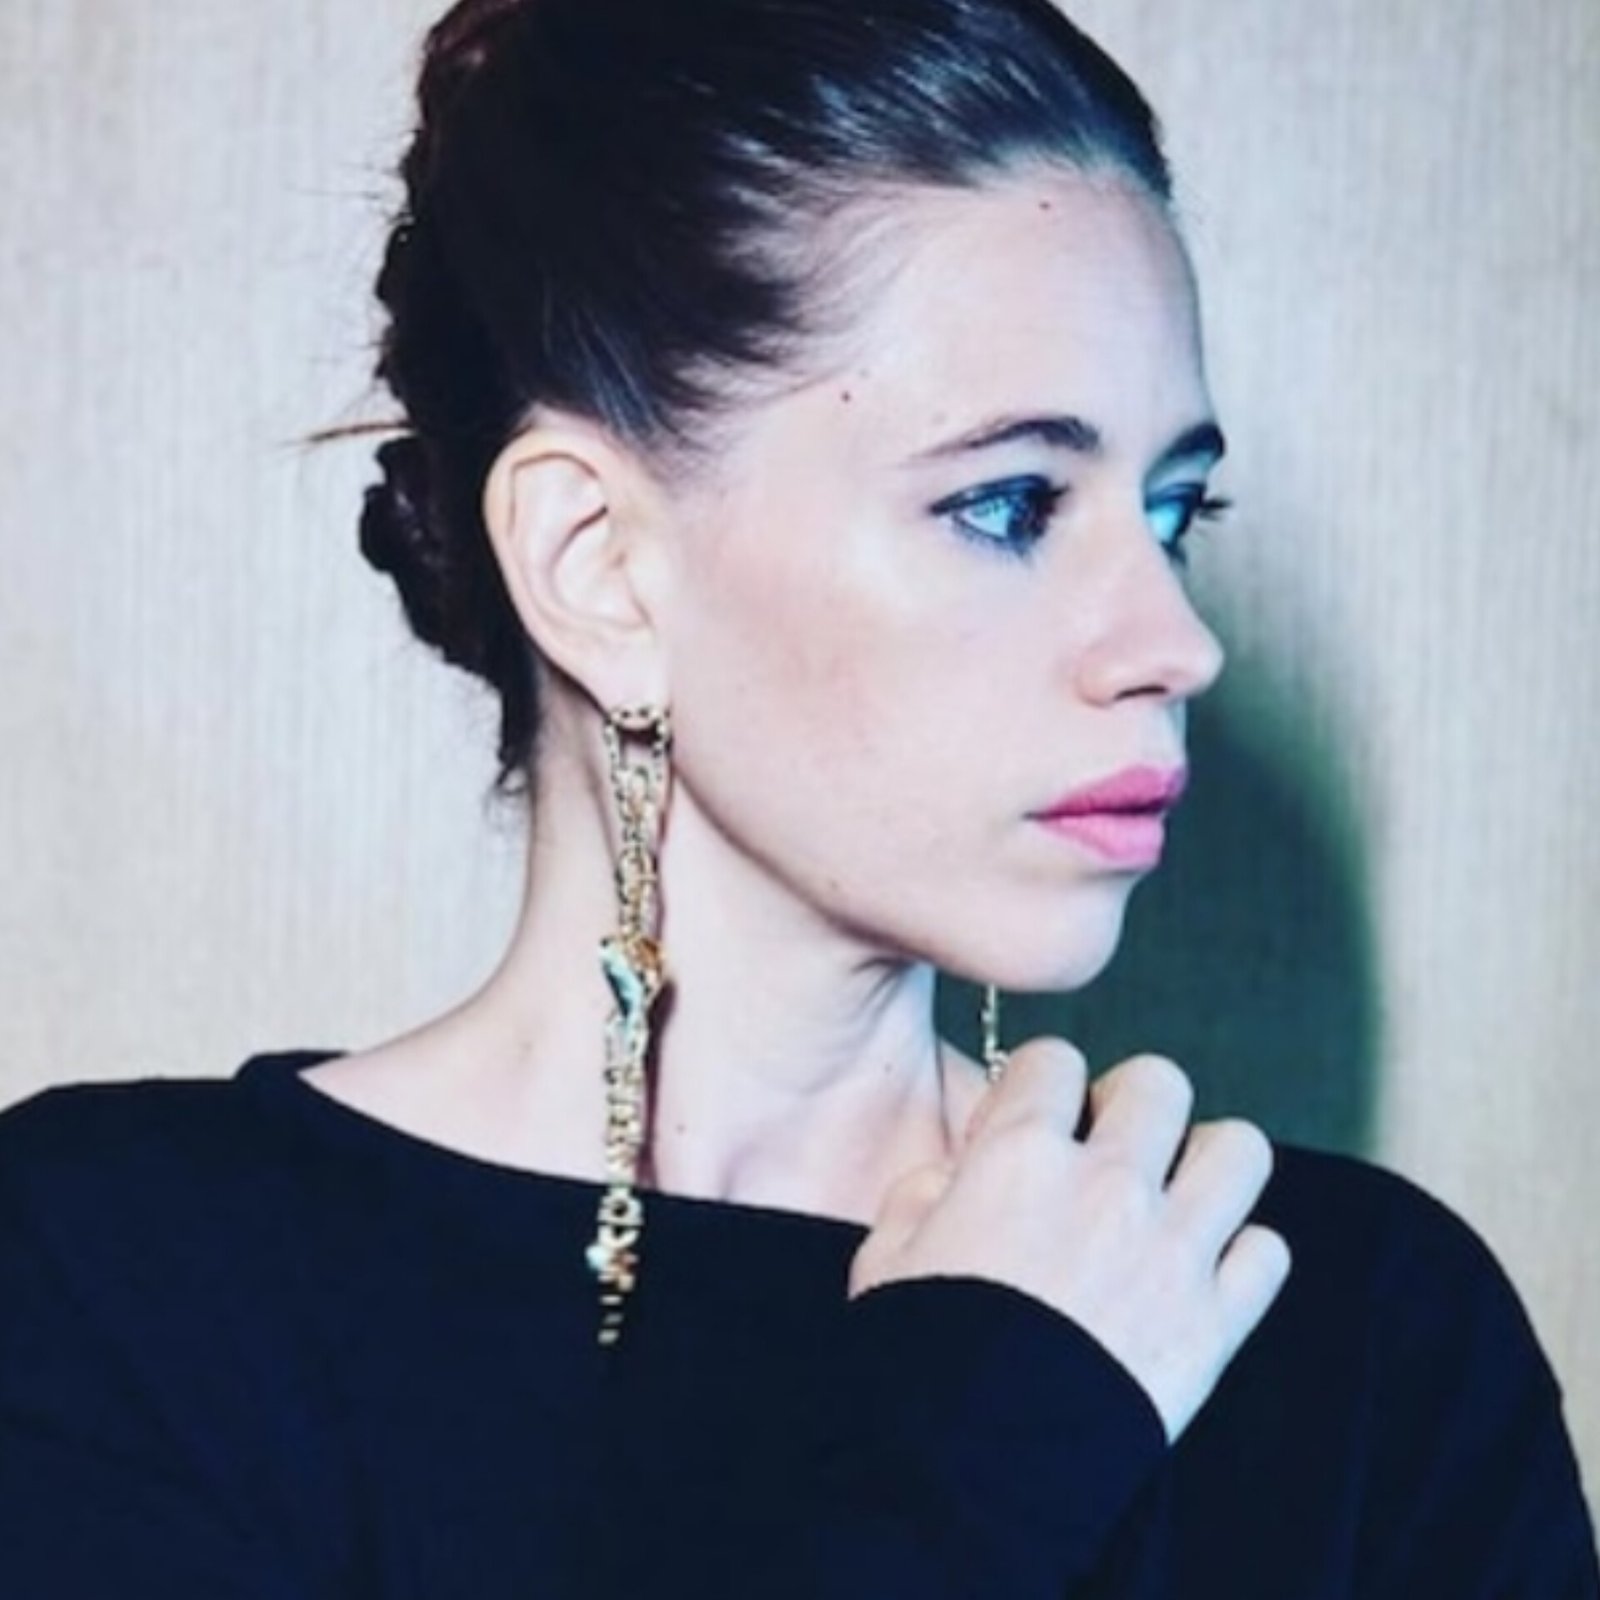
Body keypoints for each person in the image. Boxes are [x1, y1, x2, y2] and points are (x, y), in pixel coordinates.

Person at [1, 0, 1595, 1593]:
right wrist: (1003, 1430)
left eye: (1174, 513)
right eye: (1009, 504)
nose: (1177, 643)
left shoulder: (1357, 1337)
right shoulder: (114, 1287)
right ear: (600, 566)